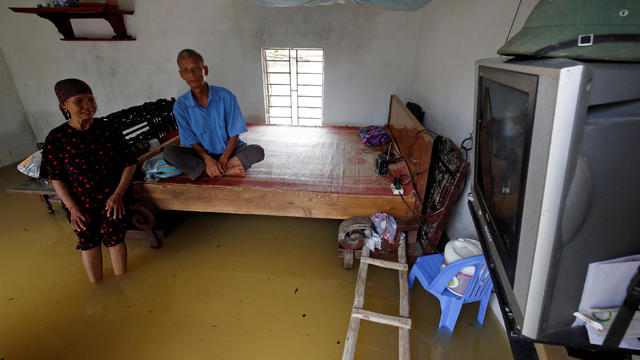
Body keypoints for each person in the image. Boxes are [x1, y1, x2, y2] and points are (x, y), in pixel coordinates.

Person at [40, 78, 137, 283]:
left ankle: (123, 283)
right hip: (79, 202)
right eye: (79, 101)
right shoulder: (57, 138)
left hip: (112, 198)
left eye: (91, 99)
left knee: (115, 238)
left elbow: (129, 164)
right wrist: (73, 208)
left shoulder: (107, 130)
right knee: (88, 241)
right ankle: (97, 288)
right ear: (63, 105)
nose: (88, 106)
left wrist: (118, 195)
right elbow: (55, 177)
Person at [164, 49, 264, 180]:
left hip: (230, 152)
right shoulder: (181, 105)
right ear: (181, 74)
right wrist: (207, 159)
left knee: (257, 151)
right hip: (201, 155)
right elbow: (191, 140)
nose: (192, 74)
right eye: (186, 70)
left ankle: (212, 170)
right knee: (169, 153)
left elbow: (235, 133)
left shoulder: (225, 96)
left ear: (205, 69)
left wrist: (224, 158)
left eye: (196, 68)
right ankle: (226, 170)